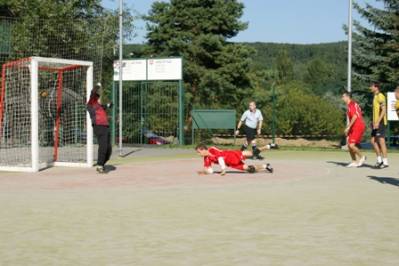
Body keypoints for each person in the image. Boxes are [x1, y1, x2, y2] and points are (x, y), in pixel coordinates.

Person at [195, 144, 273, 176]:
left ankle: (268, 146)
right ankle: (266, 166)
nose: (199, 154)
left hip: (233, 155)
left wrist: (223, 170)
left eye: (199, 152)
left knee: (252, 153)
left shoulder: (212, 149)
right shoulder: (206, 159)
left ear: (203, 150)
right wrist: (204, 172)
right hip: (231, 163)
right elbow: (210, 170)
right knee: (249, 169)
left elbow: (220, 158)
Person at [87, 83, 112, 173]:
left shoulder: (98, 105)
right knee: (103, 146)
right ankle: (100, 165)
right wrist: (97, 87)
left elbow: (103, 107)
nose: (97, 97)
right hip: (99, 126)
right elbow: (93, 94)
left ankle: (101, 163)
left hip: (105, 126)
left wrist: (109, 105)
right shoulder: (91, 103)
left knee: (108, 148)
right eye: (96, 96)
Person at [341, 91, 366, 167]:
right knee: (349, 145)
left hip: (358, 126)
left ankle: (362, 157)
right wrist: (349, 128)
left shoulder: (352, 104)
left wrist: (348, 127)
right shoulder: (350, 105)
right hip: (354, 126)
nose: (342, 98)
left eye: (343, 96)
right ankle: (354, 161)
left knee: (351, 145)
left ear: (348, 97)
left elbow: (355, 116)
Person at [370, 82, 389, 169]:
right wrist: (374, 122)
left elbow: (384, 110)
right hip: (375, 123)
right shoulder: (375, 96)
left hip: (380, 123)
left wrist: (377, 121)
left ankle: (385, 162)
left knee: (381, 141)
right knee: (373, 141)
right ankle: (379, 160)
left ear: (376, 87)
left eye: (371, 86)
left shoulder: (380, 96)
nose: (370, 87)